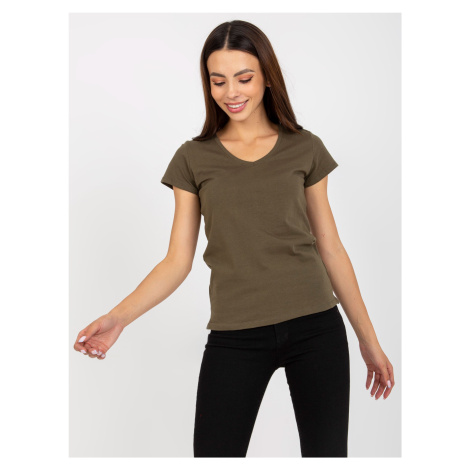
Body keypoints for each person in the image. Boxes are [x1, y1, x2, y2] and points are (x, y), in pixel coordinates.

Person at [73, 20, 395, 458]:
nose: (231, 92)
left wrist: (368, 341)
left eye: (244, 78)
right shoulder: (193, 158)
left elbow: (331, 247)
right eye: (218, 80)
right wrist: (118, 318)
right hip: (235, 336)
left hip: (316, 327)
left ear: (267, 76)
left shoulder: (304, 147)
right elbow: (176, 261)